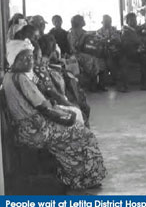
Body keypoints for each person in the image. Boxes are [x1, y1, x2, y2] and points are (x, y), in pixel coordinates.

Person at [3, 39, 107, 190]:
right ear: (13, 60)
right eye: (22, 58)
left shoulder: (9, 76)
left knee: (73, 130)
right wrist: (66, 117)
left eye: (30, 56)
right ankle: (83, 179)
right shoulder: (21, 78)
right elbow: (44, 108)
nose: (29, 60)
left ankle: (76, 176)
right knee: (83, 134)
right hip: (35, 129)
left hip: (26, 128)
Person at [67, 15, 106, 92]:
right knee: (91, 60)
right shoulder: (71, 33)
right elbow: (75, 47)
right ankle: (93, 84)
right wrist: (84, 37)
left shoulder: (84, 32)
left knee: (100, 58)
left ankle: (101, 84)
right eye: (82, 20)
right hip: (76, 54)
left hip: (86, 52)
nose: (84, 21)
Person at [118, 12, 146, 92]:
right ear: (127, 22)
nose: (134, 22)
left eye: (135, 20)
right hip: (129, 53)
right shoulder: (126, 31)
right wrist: (141, 39)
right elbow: (136, 40)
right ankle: (145, 84)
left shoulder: (135, 29)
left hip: (138, 52)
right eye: (132, 20)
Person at [96, 15, 121, 85]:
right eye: (106, 21)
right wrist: (109, 40)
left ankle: (116, 80)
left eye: (109, 21)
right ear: (102, 22)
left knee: (111, 58)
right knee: (107, 58)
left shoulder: (114, 30)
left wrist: (107, 40)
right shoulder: (98, 31)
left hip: (115, 51)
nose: (107, 23)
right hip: (102, 52)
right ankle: (113, 80)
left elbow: (118, 40)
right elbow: (100, 41)